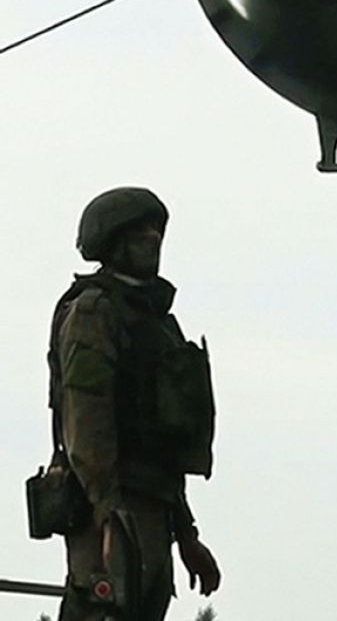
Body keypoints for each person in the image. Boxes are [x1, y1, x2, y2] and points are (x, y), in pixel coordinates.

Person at [50, 187, 221, 620]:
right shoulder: (95, 312)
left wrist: (186, 535)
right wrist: (108, 515)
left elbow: (162, 443)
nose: (151, 238)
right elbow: (86, 422)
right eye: (137, 231)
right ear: (112, 242)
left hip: (151, 512)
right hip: (111, 510)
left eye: (154, 230)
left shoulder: (156, 323)